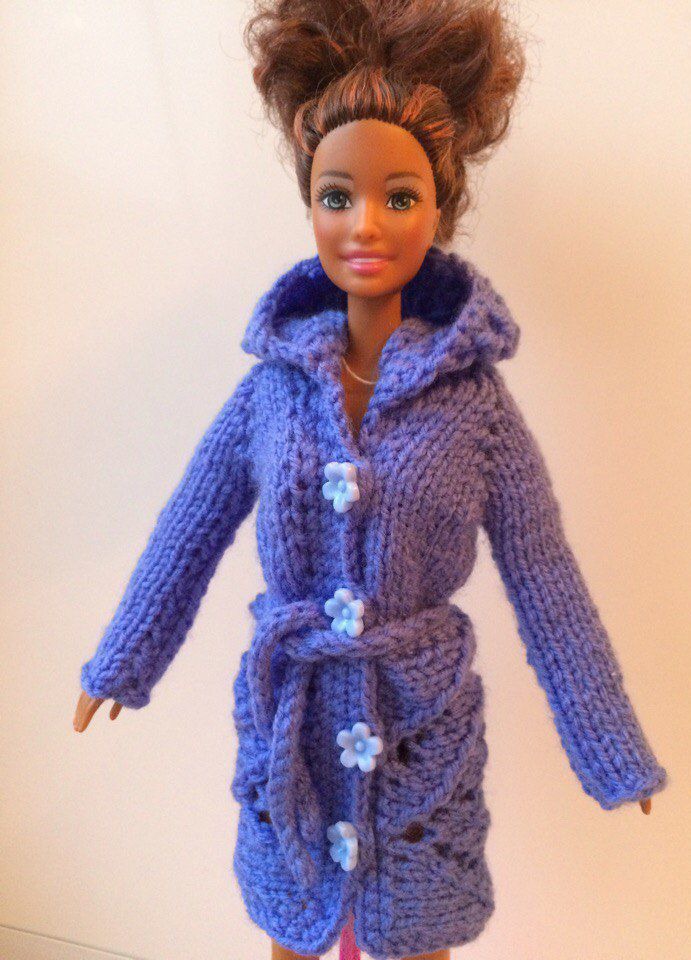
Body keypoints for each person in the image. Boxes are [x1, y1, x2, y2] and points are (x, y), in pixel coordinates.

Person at [74, 2, 667, 958]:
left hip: (420, 733)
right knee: (292, 926)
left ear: (439, 208)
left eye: (398, 197)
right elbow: (188, 532)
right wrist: (122, 662)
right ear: (309, 203)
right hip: (293, 723)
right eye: (336, 195)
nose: (363, 225)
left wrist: (608, 747)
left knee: (415, 931)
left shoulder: (474, 406)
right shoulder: (272, 390)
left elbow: (545, 582)